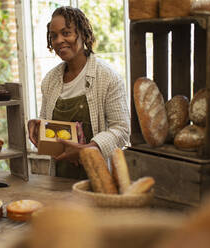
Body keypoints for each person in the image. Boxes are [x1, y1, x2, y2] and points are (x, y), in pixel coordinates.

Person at [28, 6, 130, 179]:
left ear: (83, 34)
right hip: (59, 179)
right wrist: (38, 126)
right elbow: (50, 129)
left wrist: (86, 150)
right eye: (54, 36)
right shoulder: (50, 81)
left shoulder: (107, 77)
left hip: (98, 178)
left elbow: (122, 130)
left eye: (66, 33)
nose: (59, 40)